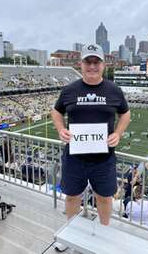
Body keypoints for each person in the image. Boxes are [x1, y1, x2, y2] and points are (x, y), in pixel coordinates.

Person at [51, 43, 130, 227]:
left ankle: (104, 231)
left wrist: (118, 133)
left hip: (104, 159)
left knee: (104, 198)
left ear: (103, 65)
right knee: (72, 197)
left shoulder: (114, 90)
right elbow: (56, 112)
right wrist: (60, 129)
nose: (92, 66)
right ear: (81, 64)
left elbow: (125, 113)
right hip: (74, 158)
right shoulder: (69, 90)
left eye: (96, 62)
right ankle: (70, 231)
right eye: (88, 61)